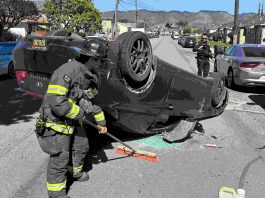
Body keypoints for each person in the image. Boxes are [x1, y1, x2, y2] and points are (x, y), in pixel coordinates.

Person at [35, 39, 108, 198]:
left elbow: (86, 99)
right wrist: (80, 113)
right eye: (101, 60)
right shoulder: (67, 71)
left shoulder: (88, 73)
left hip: (72, 119)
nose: (103, 64)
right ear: (92, 58)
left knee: (81, 147)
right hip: (56, 122)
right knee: (60, 158)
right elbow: (56, 101)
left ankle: (75, 172)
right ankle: (56, 194)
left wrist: (101, 121)